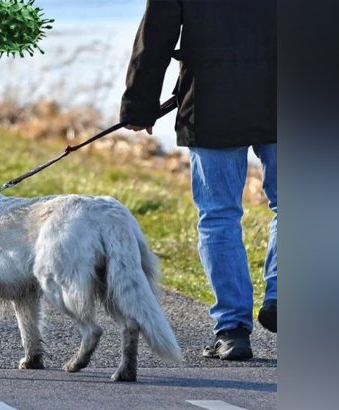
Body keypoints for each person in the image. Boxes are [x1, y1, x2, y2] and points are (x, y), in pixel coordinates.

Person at [120, 0, 277, 360]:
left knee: (219, 215)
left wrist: (139, 104)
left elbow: (155, 33)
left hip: (212, 100)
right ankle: (282, 295)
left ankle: (232, 331)